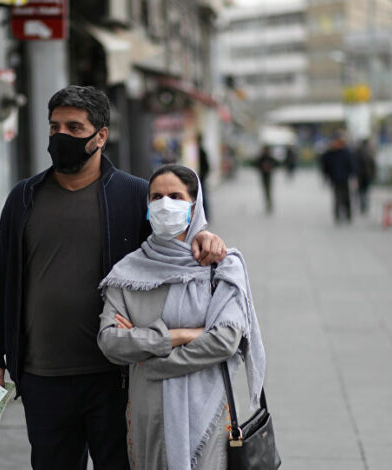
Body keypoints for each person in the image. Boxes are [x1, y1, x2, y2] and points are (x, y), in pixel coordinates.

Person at [0, 86, 227, 470]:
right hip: (42, 375)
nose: (61, 136)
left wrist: (205, 238)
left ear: (101, 136)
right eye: (55, 127)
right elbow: (2, 281)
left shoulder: (134, 195)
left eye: (74, 128)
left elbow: (174, 248)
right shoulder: (23, 198)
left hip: (117, 376)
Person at [97, 164, 266, 470]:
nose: (165, 204)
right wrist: (181, 335)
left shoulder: (221, 267)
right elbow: (110, 342)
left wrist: (149, 358)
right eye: (156, 197)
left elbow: (225, 340)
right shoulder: (128, 273)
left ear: (194, 205)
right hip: (149, 414)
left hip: (209, 413)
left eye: (175, 196)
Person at [321, 131, 355, 222]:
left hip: (344, 178)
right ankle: (337, 215)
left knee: (346, 197)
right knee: (337, 197)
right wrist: (326, 176)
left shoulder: (345, 152)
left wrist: (353, 175)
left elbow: (351, 164)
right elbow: (325, 165)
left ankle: (348, 214)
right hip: (335, 178)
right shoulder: (330, 153)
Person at [354, 138, 376, 214]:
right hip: (366, 175)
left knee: (360, 191)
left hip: (360, 176)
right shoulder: (369, 152)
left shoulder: (357, 152)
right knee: (365, 191)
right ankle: (364, 205)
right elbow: (373, 165)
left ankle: (362, 205)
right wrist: (373, 175)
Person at [255, 145, 279, 213]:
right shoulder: (262, 158)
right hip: (263, 176)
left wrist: (270, 167)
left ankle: (269, 204)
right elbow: (257, 165)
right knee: (266, 191)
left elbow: (276, 164)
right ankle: (268, 203)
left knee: (269, 190)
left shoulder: (270, 158)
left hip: (268, 176)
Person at [197, 134, 210, 218]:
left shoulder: (201, 151)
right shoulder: (197, 151)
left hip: (200, 177)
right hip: (199, 177)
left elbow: (207, 166)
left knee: (203, 196)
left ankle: (205, 214)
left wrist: (203, 176)